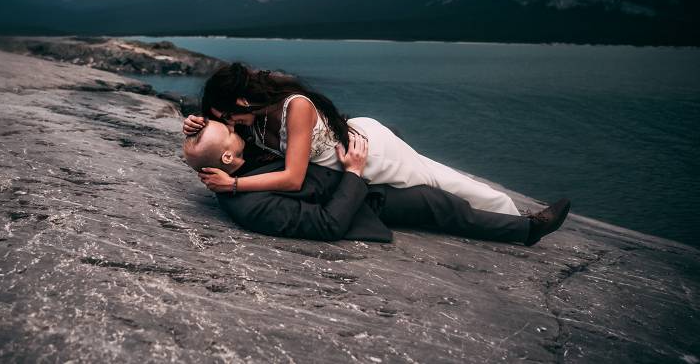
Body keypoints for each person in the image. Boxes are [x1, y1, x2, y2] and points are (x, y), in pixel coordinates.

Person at [183, 63, 520, 215]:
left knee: (436, 181)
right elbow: (222, 145)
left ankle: (510, 214)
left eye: (224, 117)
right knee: (434, 173)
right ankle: (507, 211)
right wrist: (196, 127)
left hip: (368, 153)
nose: (226, 124)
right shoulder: (250, 118)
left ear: (241, 102)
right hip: (347, 147)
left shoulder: (294, 108)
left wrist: (234, 186)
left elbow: (292, 178)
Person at [183, 120, 571, 245]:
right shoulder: (250, 204)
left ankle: (509, 213)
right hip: (365, 202)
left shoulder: (241, 161)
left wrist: (195, 121)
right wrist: (353, 172)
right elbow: (328, 225)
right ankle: (526, 230)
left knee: (439, 179)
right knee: (442, 205)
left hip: (362, 178)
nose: (235, 129)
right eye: (227, 132)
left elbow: (240, 126)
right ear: (229, 158)